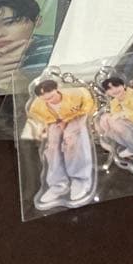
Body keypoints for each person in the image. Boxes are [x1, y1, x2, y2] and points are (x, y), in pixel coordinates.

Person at [26, 78, 96, 209]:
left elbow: (88, 104)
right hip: (55, 121)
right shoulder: (37, 105)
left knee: (72, 140)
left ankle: (80, 181)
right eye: (45, 99)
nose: (49, 101)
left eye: (51, 96)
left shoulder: (76, 93)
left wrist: (68, 120)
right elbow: (36, 117)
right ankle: (58, 184)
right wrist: (47, 128)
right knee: (52, 147)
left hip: (77, 116)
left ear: (57, 89)